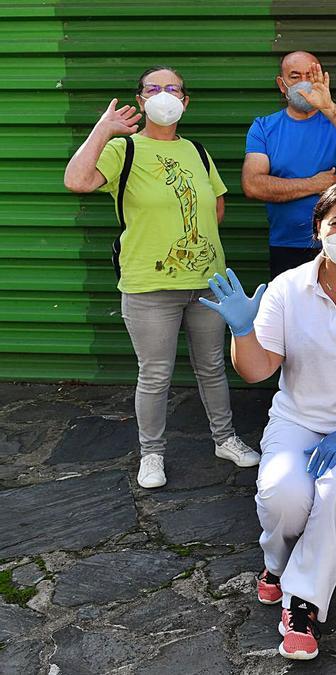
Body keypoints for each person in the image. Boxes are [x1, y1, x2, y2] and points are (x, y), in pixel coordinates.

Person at [199, 182, 336, 661]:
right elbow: (258, 369)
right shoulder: (288, 287)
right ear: (317, 231)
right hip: (300, 417)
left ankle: (302, 601)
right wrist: (241, 330)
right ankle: (277, 563)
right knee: (284, 494)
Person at [63, 65, 258, 490]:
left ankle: (225, 439)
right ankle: (152, 454)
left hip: (207, 284)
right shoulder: (123, 150)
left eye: (173, 88)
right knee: (155, 374)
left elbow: (217, 207)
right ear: (141, 99)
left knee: (211, 367)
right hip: (149, 288)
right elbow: (76, 180)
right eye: (154, 88)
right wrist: (103, 128)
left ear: (185, 101)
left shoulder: (198, 151)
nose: (164, 94)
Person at [243, 51, 336, 278]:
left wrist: (329, 107)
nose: (303, 82)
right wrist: (315, 184)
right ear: (282, 84)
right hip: (286, 245)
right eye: (295, 76)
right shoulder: (264, 127)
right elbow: (253, 185)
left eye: (310, 75)